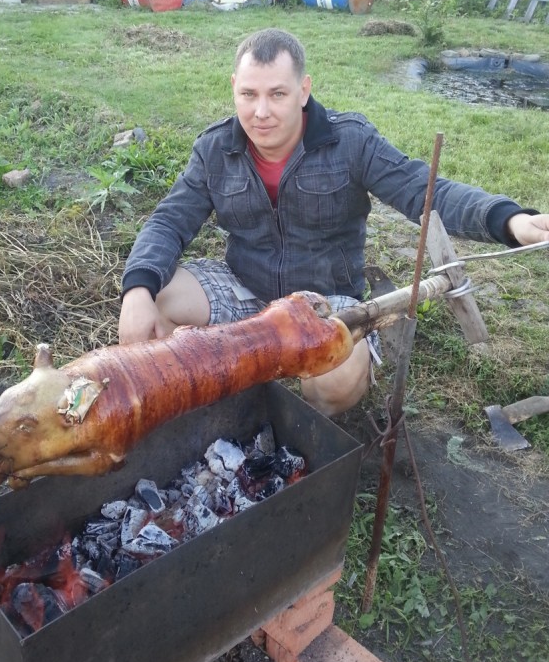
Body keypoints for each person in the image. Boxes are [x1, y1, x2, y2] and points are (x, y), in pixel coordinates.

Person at [119, 29, 549, 417]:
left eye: (278, 94)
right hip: (243, 288)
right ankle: (207, 406)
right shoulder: (214, 149)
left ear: (304, 91)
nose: (261, 112)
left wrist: (509, 220)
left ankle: (296, 428)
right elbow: (169, 221)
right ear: (234, 89)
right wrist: (138, 288)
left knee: (333, 383)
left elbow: (424, 190)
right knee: (157, 300)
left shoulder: (350, 142)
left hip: (328, 300)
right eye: (249, 94)